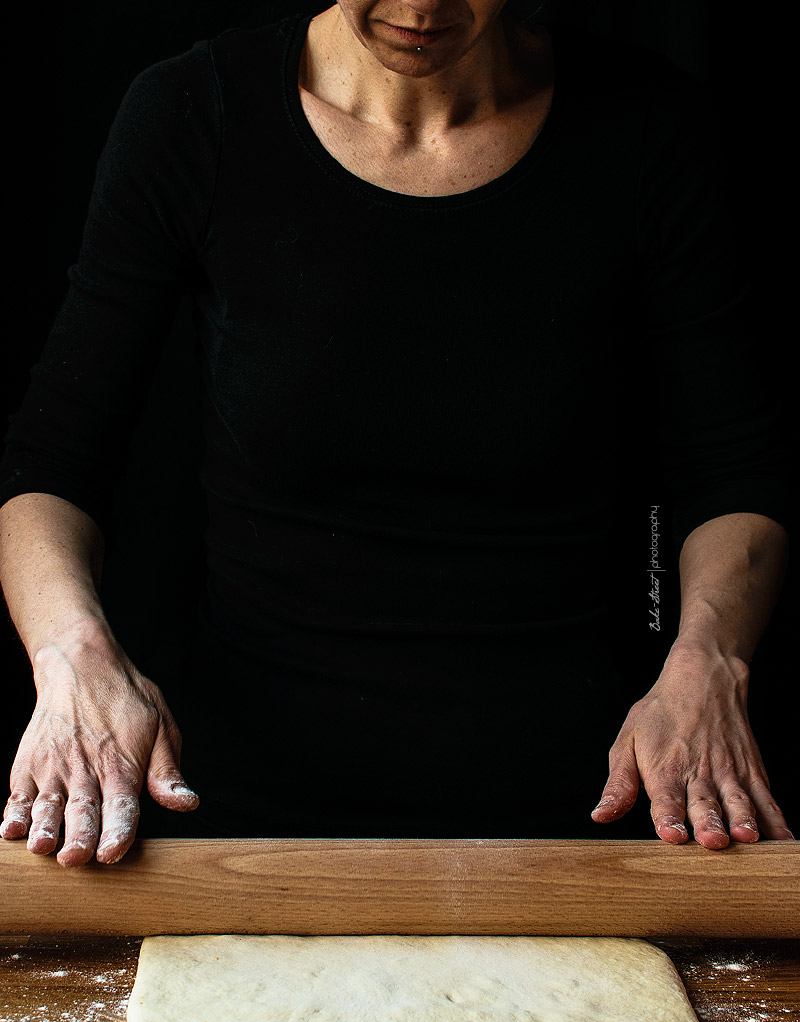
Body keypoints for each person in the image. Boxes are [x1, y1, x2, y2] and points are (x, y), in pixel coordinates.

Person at [0, 1, 793, 866]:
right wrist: (72, 654)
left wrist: (710, 655)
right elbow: (56, 466)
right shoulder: (196, 113)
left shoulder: (648, 124)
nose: (420, 8)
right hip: (245, 819)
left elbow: (733, 471)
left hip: (586, 813)